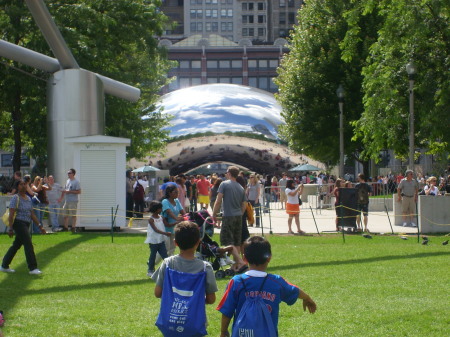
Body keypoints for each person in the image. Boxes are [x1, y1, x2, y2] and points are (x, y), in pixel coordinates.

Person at [216, 236, 317, 337]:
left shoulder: (236, 282)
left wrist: (223, 331)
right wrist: (307, 298)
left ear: (244, 258)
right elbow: (294, 290)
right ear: (269, 258)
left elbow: (227, 311)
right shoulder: (276, 281)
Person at [152, 221, 218, 335]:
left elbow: (158, 293)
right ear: (198, 242)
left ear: (175, 243)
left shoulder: (168, 263)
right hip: (194, 324)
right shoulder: (205, 268)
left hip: (170, 323)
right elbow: (211, 299)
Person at [1, 178, 46, 275]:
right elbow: (12, 214)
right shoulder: (15, 198)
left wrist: (39, 225)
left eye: (25, 184)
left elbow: (32, 214)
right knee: (28, 244)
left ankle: (4, 265)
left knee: (16, 245)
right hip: (18, 223)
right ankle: (33, 268)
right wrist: (10, 228)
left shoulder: (29, 198)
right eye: (21, 184)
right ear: (17, 186)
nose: (24, 186)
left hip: (26, 224)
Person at [212, 166, 247, 273]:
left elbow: (218, 201)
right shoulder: (241, 187)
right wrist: (240, 213)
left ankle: (240, 262)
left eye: (226, 172)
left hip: (228, 216)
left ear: (229, 173)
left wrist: (214, 214)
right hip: (238, 216)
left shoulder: (224, 184)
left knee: (227, 241)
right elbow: (244, 204)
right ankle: (235, 266)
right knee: (236, 242)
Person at [145, 201, 171, 278]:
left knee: (165, 256)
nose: (161, 209)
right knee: (153, 256)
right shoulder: (151, 219)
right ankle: (150, 270)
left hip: (161, 240)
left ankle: (168, 269)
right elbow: (156, 230)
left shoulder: (161, 217)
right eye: (160, 208)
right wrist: (165, 233)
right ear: (156, 210)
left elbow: (166, 225)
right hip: (154, 241)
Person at [161, 184, 186, 256]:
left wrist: (187, 217)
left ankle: (169, 265)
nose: (177, 194)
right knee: (165, 249)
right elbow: (169, 211)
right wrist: (177, 218)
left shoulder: (177, 201)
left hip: (174, 228)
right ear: (169, 193)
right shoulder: (165, 201)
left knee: (172, 249)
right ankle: (152, 263)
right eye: (175, 192)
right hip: (166, 229)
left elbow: (182, 211)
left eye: (178, 192)